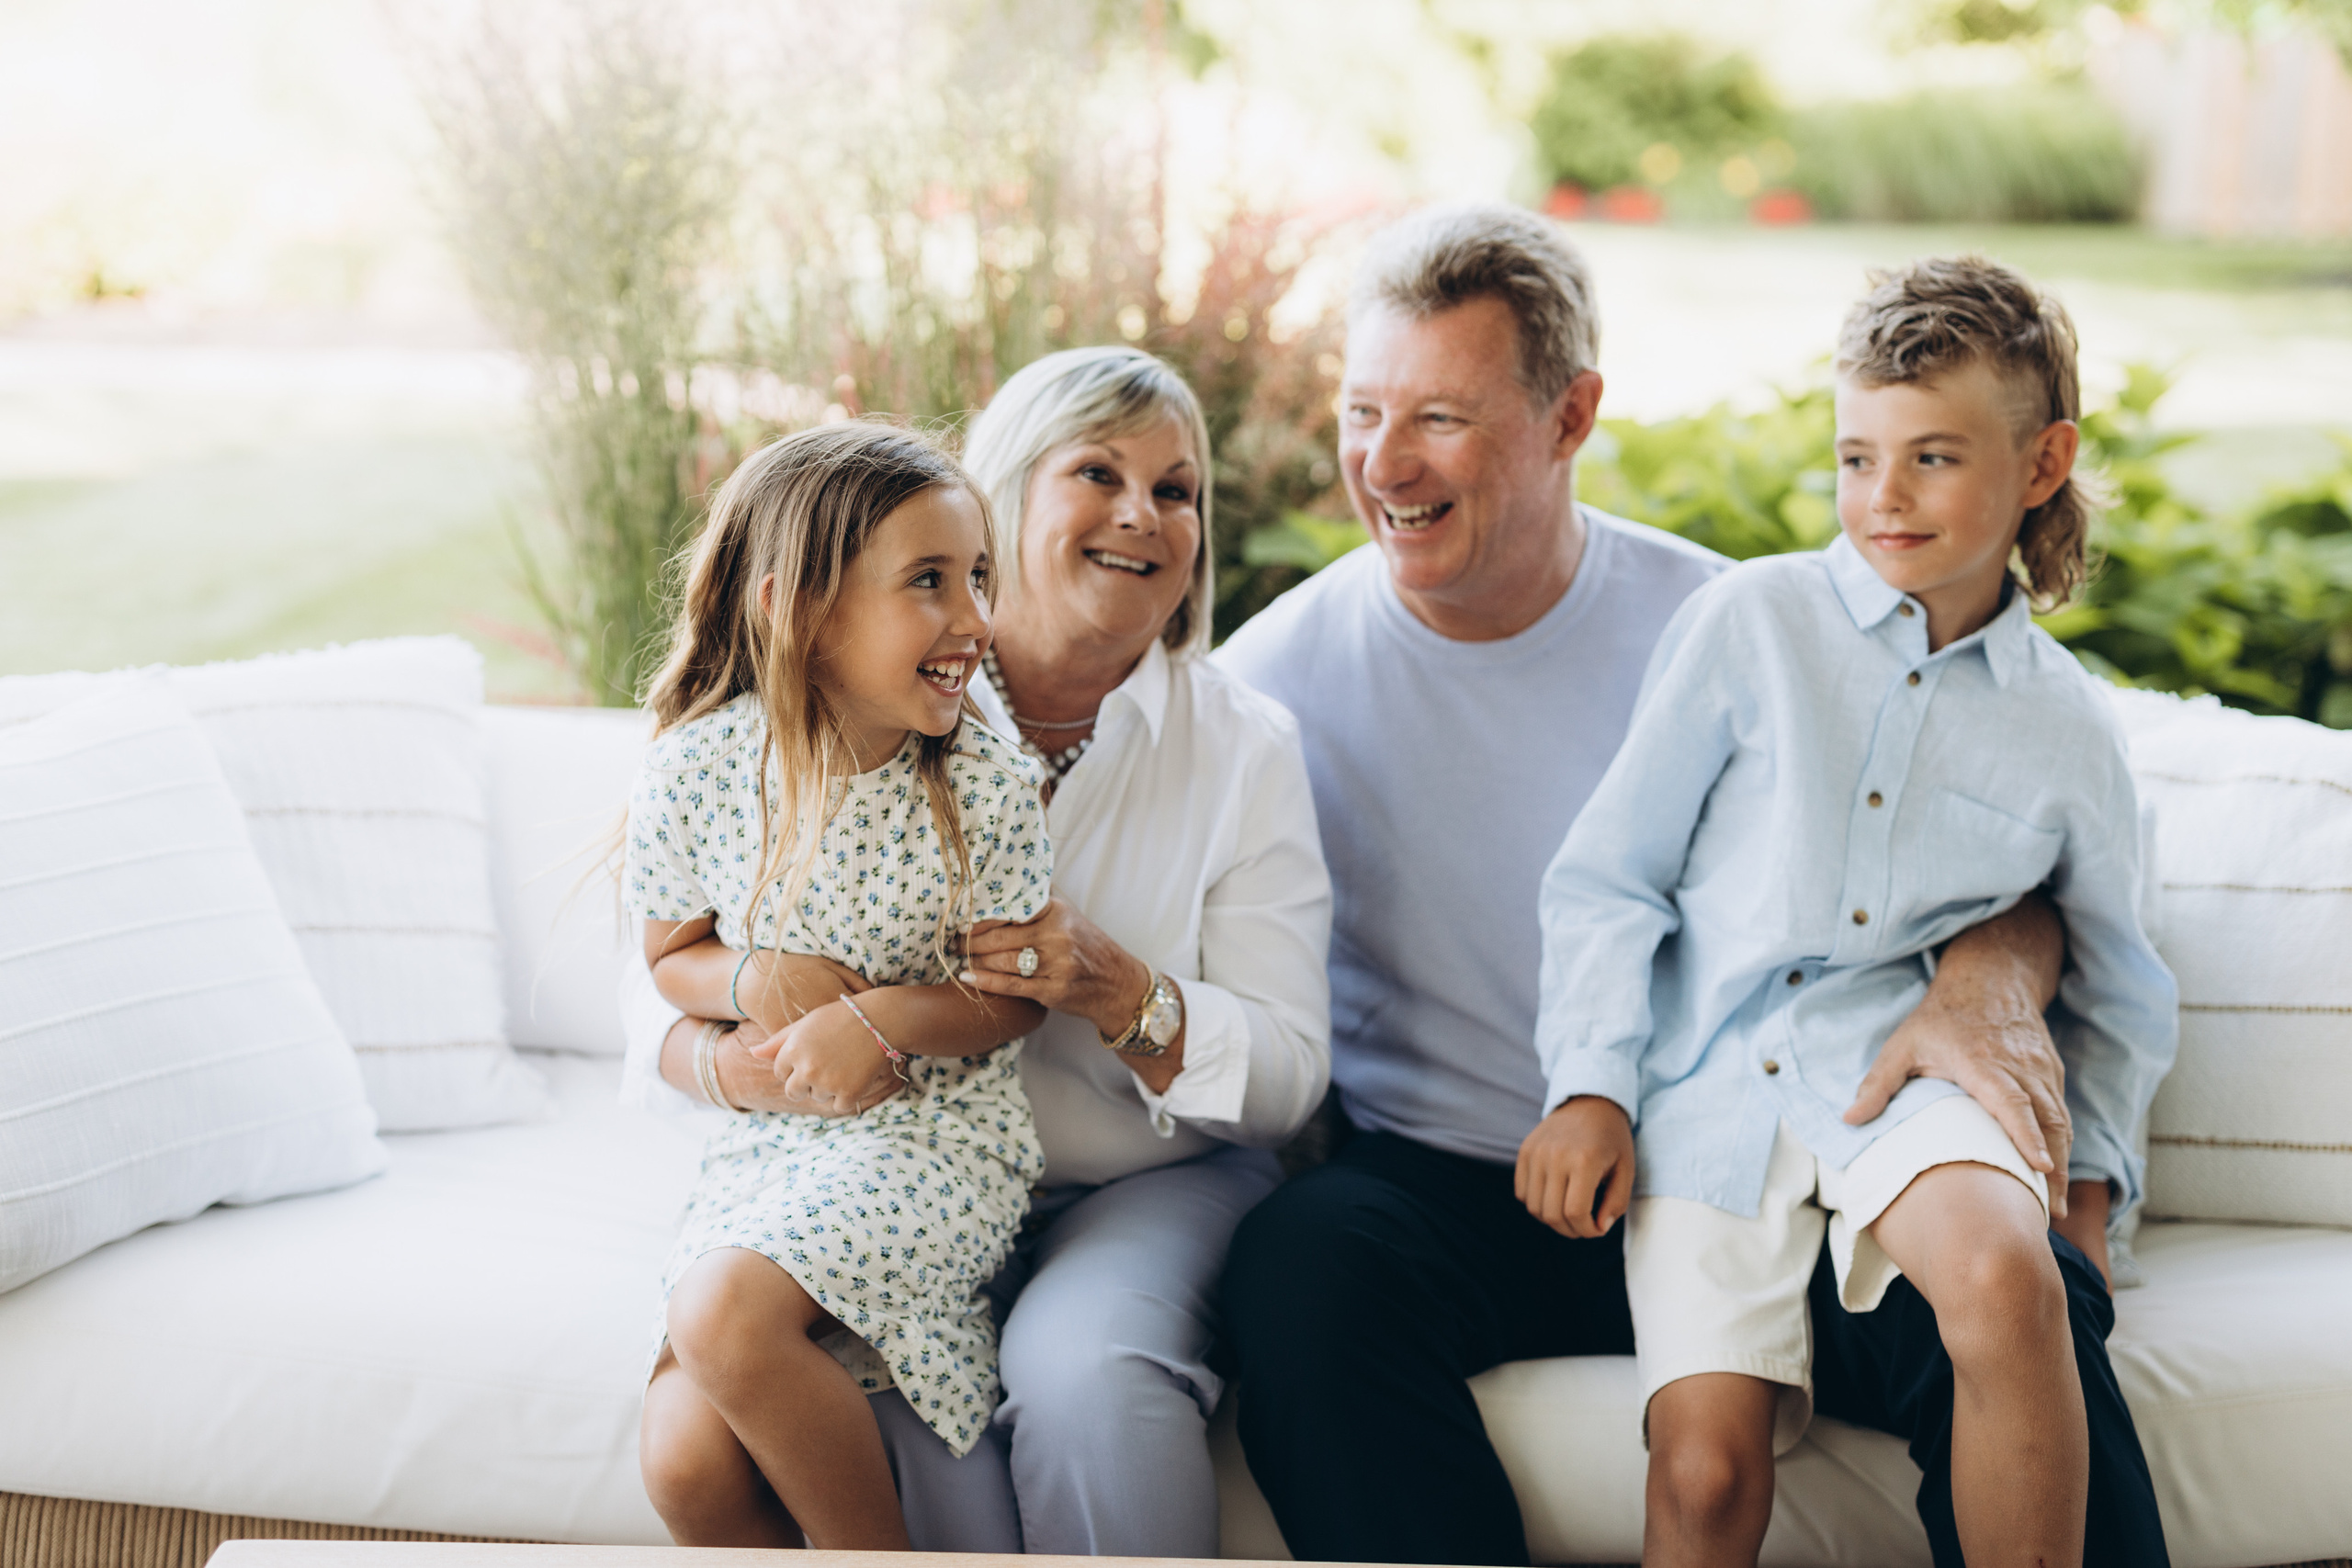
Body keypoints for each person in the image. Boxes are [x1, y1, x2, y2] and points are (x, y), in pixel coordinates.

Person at [1216, 204, 2168, 1566]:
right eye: (1366, 410)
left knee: (2034, 1297)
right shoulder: (1273, 681)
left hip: (1756, 1144)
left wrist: (1992, 977)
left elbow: (1971, 855)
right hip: (1460, 1185)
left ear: (1569, 417)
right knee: (1303, 1269)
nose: (1383, 461)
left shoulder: (1746, 621)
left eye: (1440, 415)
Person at [621, 345, 1332, 1555]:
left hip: (1133, 1176)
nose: (1143, 514)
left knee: (1084, 1376)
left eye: (1178, 490)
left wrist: (1126, 995)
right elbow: (663, 977)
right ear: (997, 489)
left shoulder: (1242, 748)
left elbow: (1287, 1075)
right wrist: (743, 1048)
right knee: (727, 1424)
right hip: (855, 1157)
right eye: (1098, 471)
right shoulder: (840, 700)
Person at [1531, 255, 2176, 1568]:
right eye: (1857, 455)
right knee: (1707, 1472)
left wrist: (2093, 1184)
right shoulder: (1747, 622)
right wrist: (1588, 1082)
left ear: (2040, 462)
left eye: (1933, 456)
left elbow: (2120, 978)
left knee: (2011, 1278)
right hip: (1709, 1090)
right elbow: (1612, 873)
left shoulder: (2066, 727)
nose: (1885, 497)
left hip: (1901, 1074)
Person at [626, 422, 1052, 1550]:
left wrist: (881, 1018)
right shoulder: (698, 770)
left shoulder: (985, 787)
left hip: (933, 1138)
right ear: (797, 610)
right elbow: (671, 960)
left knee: (721, 1311)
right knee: (679, 1459)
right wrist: (752, 975)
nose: (973, 619)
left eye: (976, 578)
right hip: (767, 1151)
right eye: (928, 582)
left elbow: (1014, 995)